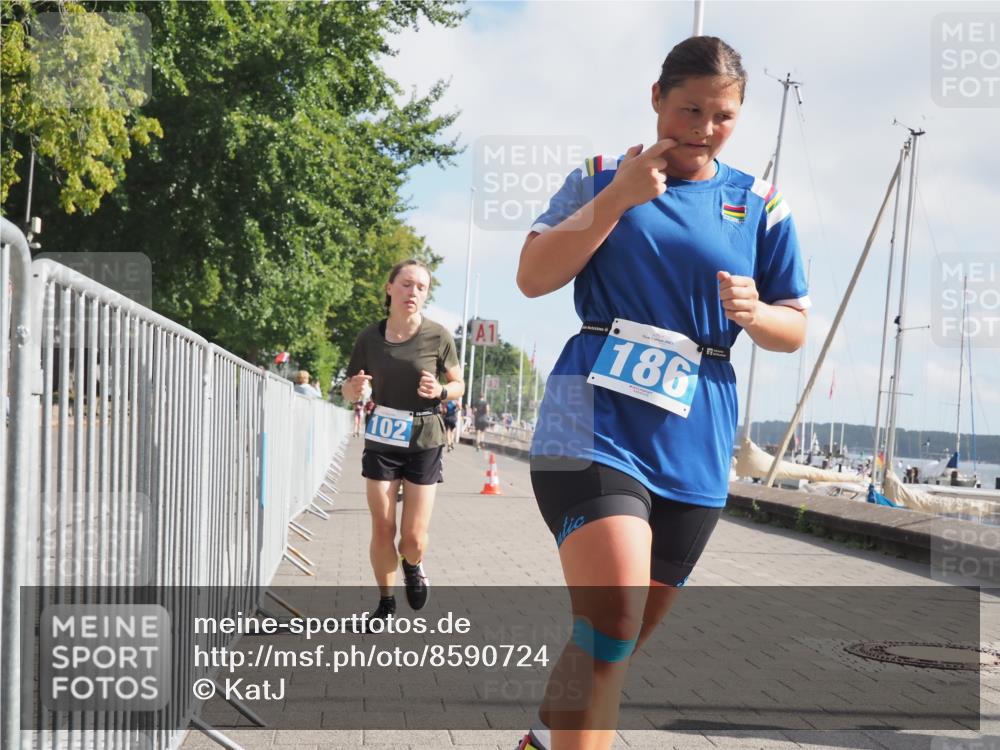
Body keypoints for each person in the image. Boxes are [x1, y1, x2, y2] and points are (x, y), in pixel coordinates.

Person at [514, 36, 809, 750]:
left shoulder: (759, 203)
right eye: (689, 110)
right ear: (656, 98)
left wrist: (753, 313)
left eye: (723, 116)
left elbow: (793, 327)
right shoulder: (597, 177)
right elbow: (532, 275)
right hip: (592, 422)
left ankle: (533, 743)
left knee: (613, 644)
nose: (704, 129)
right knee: (613, 613)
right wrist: (618, 198)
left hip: (694, 439)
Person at [341, 259, 464, 623]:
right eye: (407, 284)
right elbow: (349, 390)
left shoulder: (437, 335)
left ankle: (413, 564)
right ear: (390, 288)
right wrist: (355, 388)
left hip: (425, 436)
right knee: (382, 526)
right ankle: (385, 603)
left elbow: (459, 384)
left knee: (411, 538)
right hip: (383, 436)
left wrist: (441, 390)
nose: (413, 292)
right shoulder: (369, 338)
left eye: (421, 287)